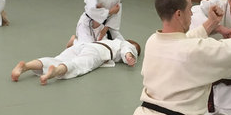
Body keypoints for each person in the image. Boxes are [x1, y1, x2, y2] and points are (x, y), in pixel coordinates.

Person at [11, 37, 140, 85]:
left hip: (83, 45)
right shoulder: (125, 43)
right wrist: (129, 56)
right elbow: (127, 48)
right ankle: (55, 71)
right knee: (78, 64)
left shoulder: (109, 40)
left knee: (57, 59)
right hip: (98, 52)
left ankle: (26, 66)